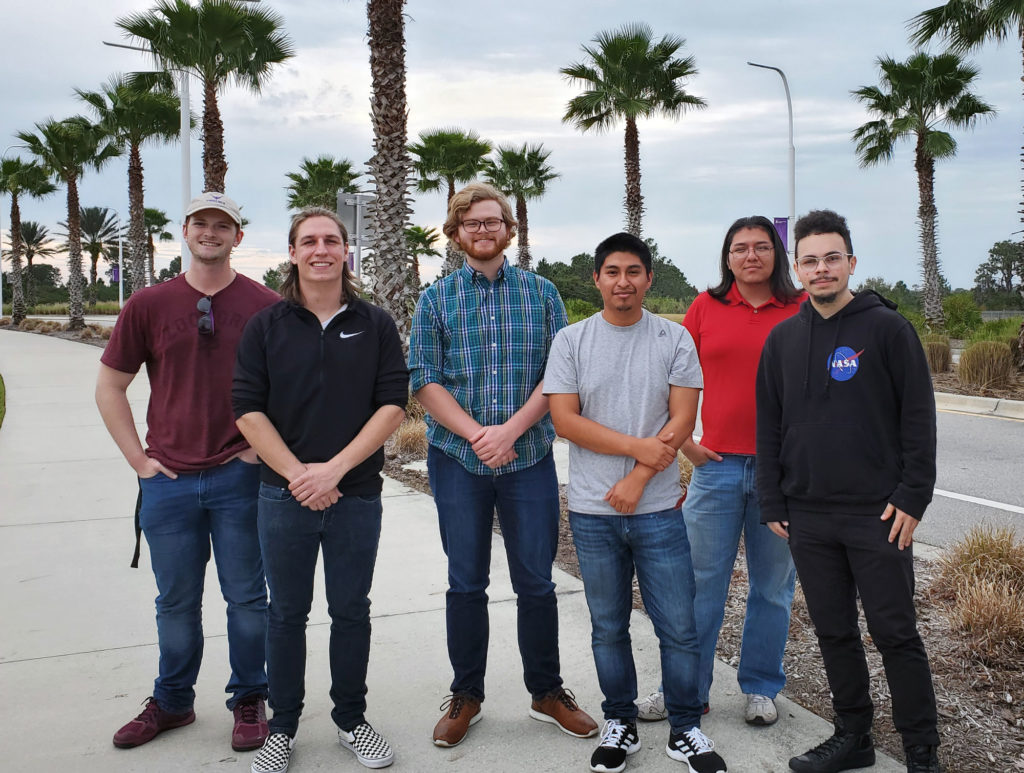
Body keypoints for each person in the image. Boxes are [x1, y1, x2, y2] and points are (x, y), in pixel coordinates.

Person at [408, 182, 598, 749]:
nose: (483, 230)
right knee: (465, 582)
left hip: (529, 459)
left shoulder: (542, 295)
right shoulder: (436, 299)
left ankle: (546, 691)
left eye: (493, 221)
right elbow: (424, 378)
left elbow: (560, 376)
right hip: (457, 461)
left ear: (509, 230)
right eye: (472, 223)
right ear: (456, 232)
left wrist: (511, 432)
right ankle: (467, 693)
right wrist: (477, 436)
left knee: (536, 582)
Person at [756, 210, 940, 773]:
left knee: (895, 634)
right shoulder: (783, 339)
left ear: (851, 262)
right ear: (798, 269)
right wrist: (773, 499)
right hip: (808, 516)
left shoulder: (887, 329)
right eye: (809, 260)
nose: (821, 269)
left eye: (832, 257)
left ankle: (921, 751)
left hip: (878, 514)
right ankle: (853, 736)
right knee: (834, 631)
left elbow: (918, 417)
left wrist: (914, 495)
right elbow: (770, 425)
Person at [96, 191, 278, 752]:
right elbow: (110, 386)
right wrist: (139, 461)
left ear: (237, 237)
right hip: (168, 482)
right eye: (201, 222)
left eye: (222, 225)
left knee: (247, 598)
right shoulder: (149, 304)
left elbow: (292, 389)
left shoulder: (265, 305)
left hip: (238, 477)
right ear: (185, 230)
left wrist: (257, 453)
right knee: (174, 602)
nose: (211, 232)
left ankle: (250, 697)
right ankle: (173, 700)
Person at [233, 208, 408, 773]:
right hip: (281, 497)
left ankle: (351, 721)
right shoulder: (266, 325)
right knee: (285, 613)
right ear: (293, 252)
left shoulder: (374, 323)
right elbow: (247, 410)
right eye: (309, 241)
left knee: (351, 610)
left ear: (345, 251)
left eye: (331, 240)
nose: (321, 249)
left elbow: (391, 405)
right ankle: (281, 728)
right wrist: (301, 477)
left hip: (355, 495)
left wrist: (332, 471)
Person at [545, 232, 727, 773]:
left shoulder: (673, 339)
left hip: (659, 511)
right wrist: (635, 450)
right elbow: (565, 421)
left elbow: (682, 421)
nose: (622, 281)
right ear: (596, 278)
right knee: (608, 625)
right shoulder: (572, 341)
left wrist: (638, 478)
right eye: (612, 272)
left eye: (633, 271)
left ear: (649, 278)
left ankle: (685, 728)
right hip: (591, 512)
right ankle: (619, 722)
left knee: (678, 626)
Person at [635, 217, 805, 727]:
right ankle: (683, 689)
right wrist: (685, 443)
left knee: (772, 587)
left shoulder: (802, 310)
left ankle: (759, 687)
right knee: (697, 585)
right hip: (717, 469)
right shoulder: (706, 308)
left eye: (760, 247)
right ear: (727, 258)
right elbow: (674, 380)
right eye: (739, 248)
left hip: (784, 476)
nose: (750, 256)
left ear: (776, 253)